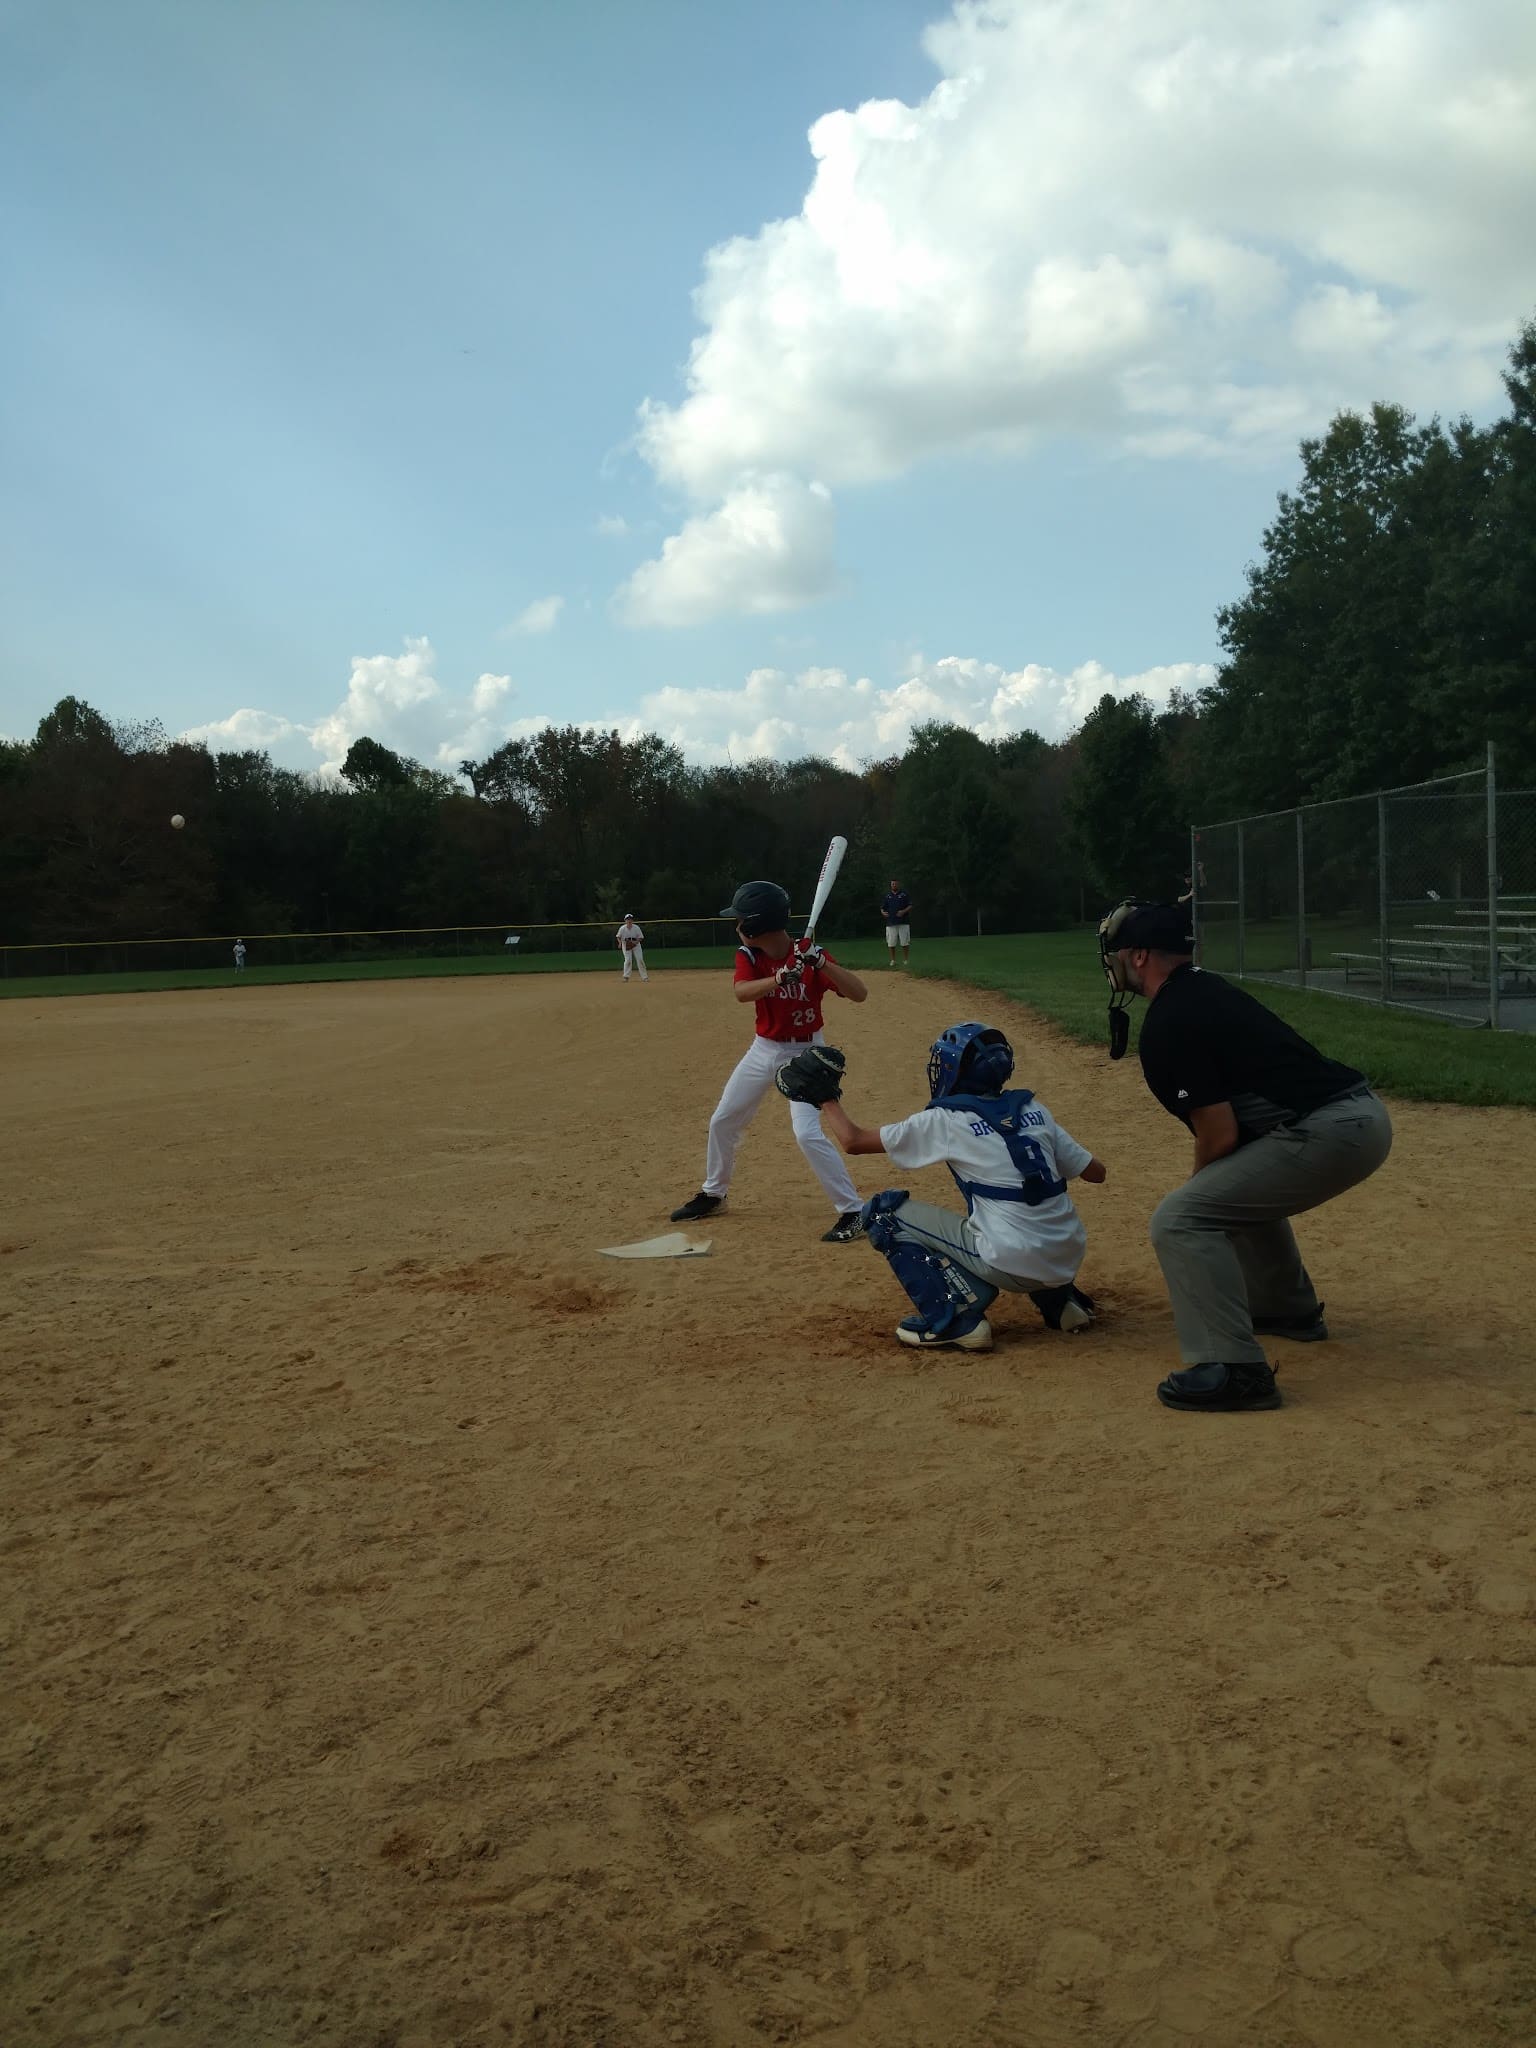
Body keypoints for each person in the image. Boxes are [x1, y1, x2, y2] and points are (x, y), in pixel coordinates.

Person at [1098, 900, 1394, 1414]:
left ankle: (1236, 1369)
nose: (1113, 962)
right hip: (1351, 1119)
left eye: (1119, 953)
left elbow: (1218, 1134)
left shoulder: (1171, 1019)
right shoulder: (1201, 989)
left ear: (1141, 956)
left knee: (1182, 1217)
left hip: (1330, 1130)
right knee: (1228, 1192)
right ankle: (1286, 1311)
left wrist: (1197, 1192)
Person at [805, 1021, 1104, 1351]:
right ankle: (1061, 1305)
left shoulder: (947, 1119)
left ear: (955, 1070)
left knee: (882, 1214)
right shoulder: (1035, 1110)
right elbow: (1096, 1172)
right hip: (1067, 1255)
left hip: (1012, 1260)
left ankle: (955, 1322)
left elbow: (853, 1141)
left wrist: (826, 1099)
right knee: (1028, 1212)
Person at [670, 879, 869, 1242]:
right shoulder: (749, 956)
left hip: (806, 1054)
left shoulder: (811, 954)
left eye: (741, 919)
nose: (736, 925)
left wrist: (822, 963)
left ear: (756, 924)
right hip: (764, 1049)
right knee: (723, 1120)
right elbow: (741, 993)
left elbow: (860, 994)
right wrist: (778, 978)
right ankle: (714, 1194)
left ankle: (854, 1211)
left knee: (807, 1133)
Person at [880, 879, 913, 966]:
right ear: (891, 885)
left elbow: (910, 905)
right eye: (892, 884)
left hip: (903, 922)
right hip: (891, 923)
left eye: (895, 884)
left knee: (904, 942)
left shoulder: (904, 894)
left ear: (898, 885)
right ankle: (893, 960)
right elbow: (882, 908)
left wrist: (903, 911)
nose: (894, 885)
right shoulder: (887, 896)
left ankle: (905, 960)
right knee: (891, 942)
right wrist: (883, 912)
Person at [615, 912, 648, 983]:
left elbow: (641, 937)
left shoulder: (636, 928)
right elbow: (618, 936)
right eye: (627, 919)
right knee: (628, 960)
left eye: (630, 919)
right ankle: (626, 977)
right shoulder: (622, 928)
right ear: (625, 920)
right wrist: (620, 943)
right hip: (626, 944)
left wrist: (636, 942)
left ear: (632, 920)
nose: (629, 921)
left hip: (636, 944)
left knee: (640, 960)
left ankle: (645, 977)